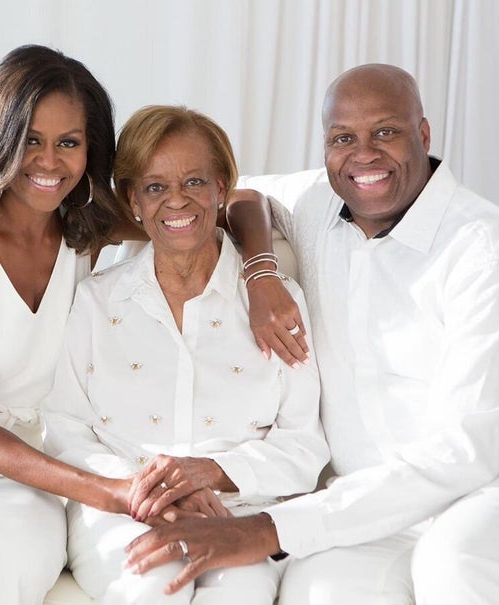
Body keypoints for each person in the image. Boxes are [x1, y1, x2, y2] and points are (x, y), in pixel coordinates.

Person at [0, 46, 307, 605]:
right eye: (31, 141)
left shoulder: (82, 221)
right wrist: (124, 493)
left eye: (68, 142)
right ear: (0, 137)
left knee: (22, 562)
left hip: (24, 462)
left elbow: (235, 200)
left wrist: (262, 276)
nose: (49, 162)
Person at [125, 64, 499, 604]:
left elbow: (465, 452)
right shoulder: (320, 202)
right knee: (320, 591)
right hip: (372, 497)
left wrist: (267, 529)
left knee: (457, 565)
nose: (364, 154)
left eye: (386, 131)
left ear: (423, 134)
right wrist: (261, 272)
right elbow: (243, 196)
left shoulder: (484, 247)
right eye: (343, 138)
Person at [42, 105, 329, 605]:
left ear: (221, 189)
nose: (176, 199)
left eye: (195, 181)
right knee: (152, 587)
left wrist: (212, 472)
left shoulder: (276, 303)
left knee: (240, 592)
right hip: (122, 509)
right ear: (132, 199)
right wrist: (144, 489)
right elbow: (63, 428)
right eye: (154, 187)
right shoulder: (97, 301)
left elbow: (304, 446)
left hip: (240, 511)